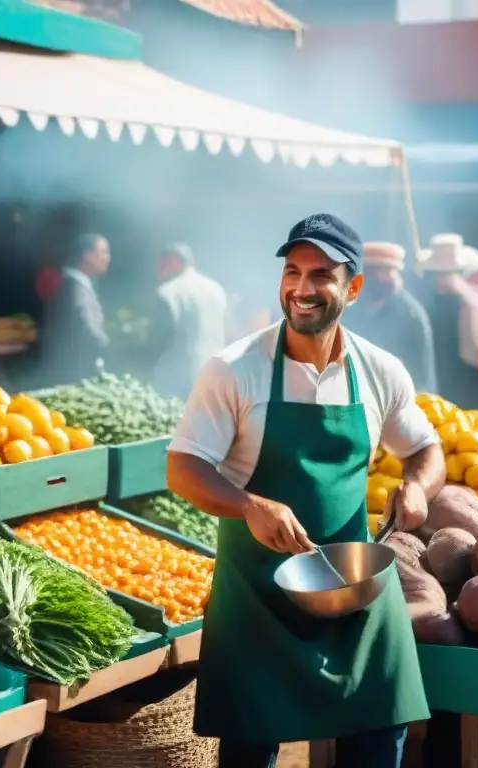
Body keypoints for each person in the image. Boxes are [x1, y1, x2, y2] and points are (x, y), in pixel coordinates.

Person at [167, 214, 444, 768]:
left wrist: (417, 486)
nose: (301, 289)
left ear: (354, 287)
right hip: (258, 589)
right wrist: (249, 505)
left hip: (355, 579)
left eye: (321, 275)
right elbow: (182, 467)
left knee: (382, 725)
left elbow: (425, 449)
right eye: (292, 271)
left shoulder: (379, 371)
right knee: (250, 746)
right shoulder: (234, 370)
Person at [349, 241, 436, 393]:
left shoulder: (410, 314)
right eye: (382, 272)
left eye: (391, 271)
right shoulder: (349, 308)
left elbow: (422, 377)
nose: (389, 277)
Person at [418, 234, 478, 411]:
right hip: (461, 384)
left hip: (455, 383)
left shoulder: (465, 302)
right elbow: (474, 352)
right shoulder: (472, 300)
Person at [147, 244, 228, 399]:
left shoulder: (168, 292)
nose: (157, 270)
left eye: (162, 264)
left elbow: (156, 340)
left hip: (178, 380)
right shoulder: (216, 288)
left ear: (175, 262)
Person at [38, 233, 111, 385]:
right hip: (75, 374)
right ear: (88, 256)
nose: (107, 257)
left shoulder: (76, 285)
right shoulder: (76, 289)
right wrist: (112, 349)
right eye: (103, 252)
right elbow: (89, 330)